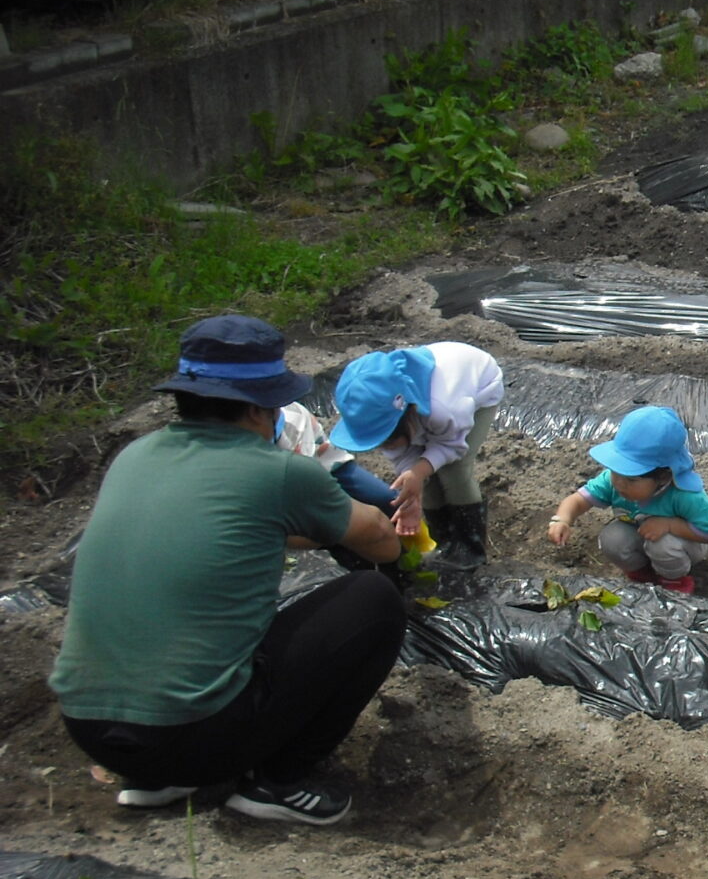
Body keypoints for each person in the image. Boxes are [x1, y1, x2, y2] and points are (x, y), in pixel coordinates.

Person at [48, 315, 406, 826]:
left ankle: (156, 781)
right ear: (261, 408)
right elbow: (381, 541)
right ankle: (278, 782)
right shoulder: (277, 471)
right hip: (196, 737)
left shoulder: (135, 456)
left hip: (91, 732)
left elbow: (226, 529)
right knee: (373, 598)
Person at [329, 340, 505, 571]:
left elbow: (452, 446)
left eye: (389, 439)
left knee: (454, 472)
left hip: (479, 385)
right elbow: (403, 457)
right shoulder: (381, 410)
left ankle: (469, 549)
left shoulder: (445, 408)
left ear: (407, 414)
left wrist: (419, 471)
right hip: (426, 406)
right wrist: (412, 496)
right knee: (426, 479)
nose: (386, 447)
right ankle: (444, 543)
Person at [547, 406, 708, 594]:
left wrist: (670, 526)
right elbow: (578, 500)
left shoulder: (684, 495)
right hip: (641, 534)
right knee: (612, 539)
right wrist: (562, 519)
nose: (619, 483)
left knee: (663, 544)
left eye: (631, 479)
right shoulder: (614, 480)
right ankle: (643, 575)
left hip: (685, 543)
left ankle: (674, 581)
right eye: (616, 472)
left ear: (663, 477)